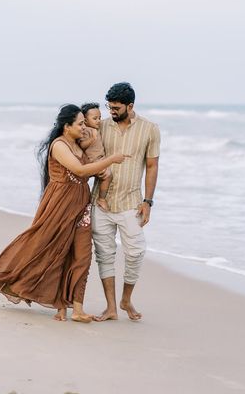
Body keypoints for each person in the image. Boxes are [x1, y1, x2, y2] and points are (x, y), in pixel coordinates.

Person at [0, 104, 127, 323]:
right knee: (55, 252)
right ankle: (55, 303)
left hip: (81, 206)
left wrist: (102, 169)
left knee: (83, 257)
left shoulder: (79, 145)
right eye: (80, 124)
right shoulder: (59, 146)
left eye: (85, 123)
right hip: (60, 206)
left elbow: (88, 170)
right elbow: (80, 170)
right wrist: (111, 160)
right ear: (67, 126)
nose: (84, 128)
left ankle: (77, 309)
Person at [91, 82, 160, 321]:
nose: (112, 111)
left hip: (131, 202)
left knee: (136, 252)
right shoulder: (101, 127)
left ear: (130, 106)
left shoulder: (150, 129)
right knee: (104, 254)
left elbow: (152, 166)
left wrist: (148, 201)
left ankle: (126, 299)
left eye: (117, 107)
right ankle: (111, 307)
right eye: (110, 107)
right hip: (101, 202)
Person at [79, 102, 112, 211]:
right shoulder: (85, 131)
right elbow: (81, 145)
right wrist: (91, 139)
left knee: (108, 174)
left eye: (100, 118)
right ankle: (101, 199)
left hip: (100, 159)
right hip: (92, 162)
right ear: (85, 120)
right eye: (95, 118)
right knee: (108, 175)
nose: (98, 121)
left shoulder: (97, 129)